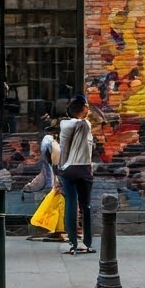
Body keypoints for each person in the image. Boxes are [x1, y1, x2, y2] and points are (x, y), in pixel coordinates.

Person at [58, 95, 96, 256]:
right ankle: (87, 243)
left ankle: (73, 244)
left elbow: (63, 149)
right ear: (84, 108)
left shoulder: (64, 125)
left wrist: (61, 168)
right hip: (83, 169)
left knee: (71, 205)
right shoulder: (84, 124)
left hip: (67, 169)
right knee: (85, 206)